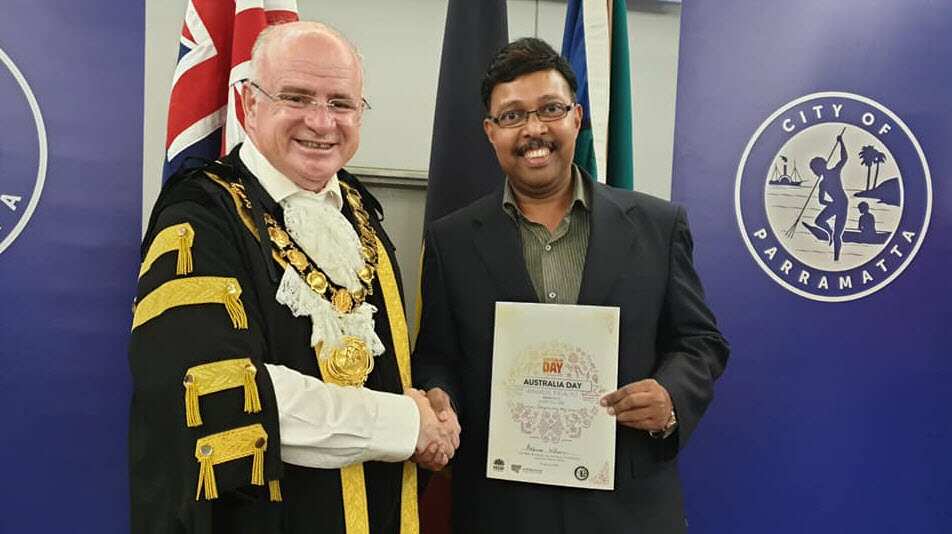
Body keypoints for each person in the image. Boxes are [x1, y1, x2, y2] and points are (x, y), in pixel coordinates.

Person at [129, 21, 458, 534]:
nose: (322, 122)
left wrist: (430, 407)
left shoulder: (360, 212)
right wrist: (405, 424)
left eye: (341, 103)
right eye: (297, 97)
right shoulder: (197, 218)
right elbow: (231, 397)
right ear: (248, 105)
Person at [412, 37, 729, 533]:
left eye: (550, 109)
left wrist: (670, 396)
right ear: (490, 132)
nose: (534, 129)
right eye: (513, 116)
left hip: (629, 509)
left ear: (576, 118)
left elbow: (701, 343)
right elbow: (437, 355)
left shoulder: (657, 225)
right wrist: (439, 397)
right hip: (501, 510)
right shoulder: (450, 241)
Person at [807, 134, 849, 260]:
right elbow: (821, 201)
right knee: (818, 221)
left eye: (815, 169)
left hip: (842, 203)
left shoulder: (834, 172)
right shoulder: (822, 184)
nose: (814, 172)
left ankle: (836, 259)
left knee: (837, 236)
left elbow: (844, 159)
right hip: (835, 204)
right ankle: (829, 231)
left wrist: (841, 142)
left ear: (821, 167)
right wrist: (829, 204)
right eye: (813, 170)